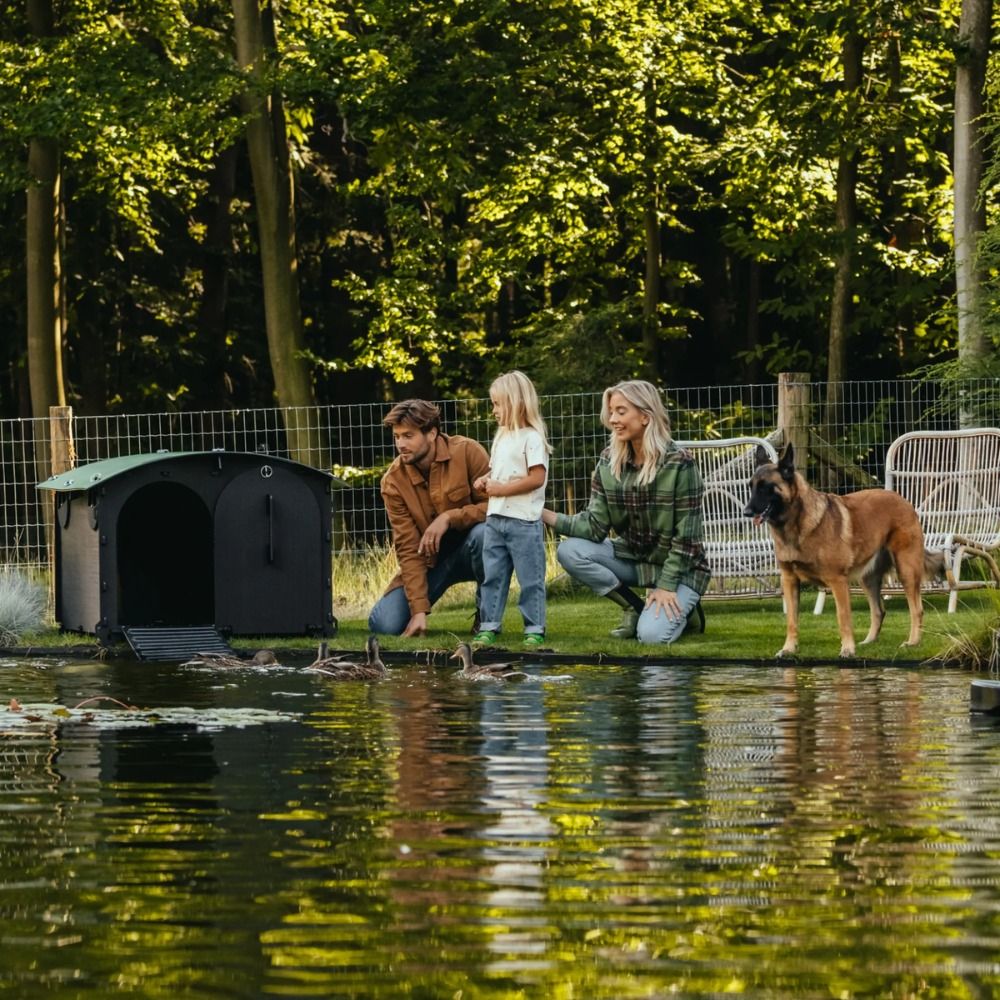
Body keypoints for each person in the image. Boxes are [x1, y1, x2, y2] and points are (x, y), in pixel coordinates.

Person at [541, 379, 710, 644]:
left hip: (681, 568)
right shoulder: (609, 461)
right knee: (569, 551)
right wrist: (541, 512)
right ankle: (634, 606)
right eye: (611, 412)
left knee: (651, 637)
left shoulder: (680, 463)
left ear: (645, 416)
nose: (613, 419)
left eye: (621, 411)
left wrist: (666, 586)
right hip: (635, 559)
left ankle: (689, 613)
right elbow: (594, 526)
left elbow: (687, 540)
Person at [368, 399, 489, 637]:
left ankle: (486, 619)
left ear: (432, 433)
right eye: (397, 437)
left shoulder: (468, 451)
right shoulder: (392, 482)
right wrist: (418, 610)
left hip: (474, 548)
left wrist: (449, 517)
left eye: (408, 436)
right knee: (385, 625)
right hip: (431, 563)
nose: (400, 444)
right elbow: (407, 547)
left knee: (486, 534)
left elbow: (495, 508)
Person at [472, 371, 552, 647]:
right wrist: (485, 479)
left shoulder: (532, 438)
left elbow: (536, 478)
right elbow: (498, 470)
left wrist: (501, 489)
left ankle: (534, 627)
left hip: (523, 521)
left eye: (498, 404)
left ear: (517, 403)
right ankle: (489, 624)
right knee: (492, 575)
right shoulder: (501, 437)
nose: (493, 410)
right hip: (495, 519)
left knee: (530, 578)